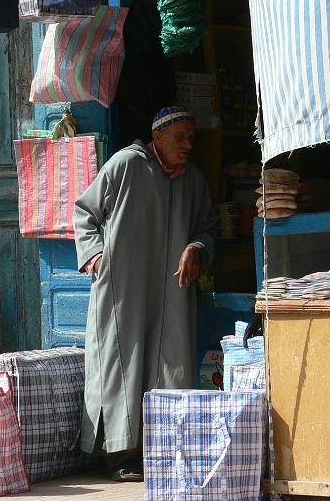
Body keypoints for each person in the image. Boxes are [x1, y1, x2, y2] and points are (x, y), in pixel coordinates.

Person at [73, 106, 218, 482]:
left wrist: (197, 249)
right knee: (123, 364)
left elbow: (207, 227)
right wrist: (96, 256)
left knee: (170, 361)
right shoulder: (125, 165)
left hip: (172, 288)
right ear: (158, 137)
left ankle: (168, 448)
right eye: (180, 137)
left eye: (192, 138)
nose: (188, 145)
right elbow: (85, 213)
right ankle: (121, 454)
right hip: (123, 288)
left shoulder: (194, 181)